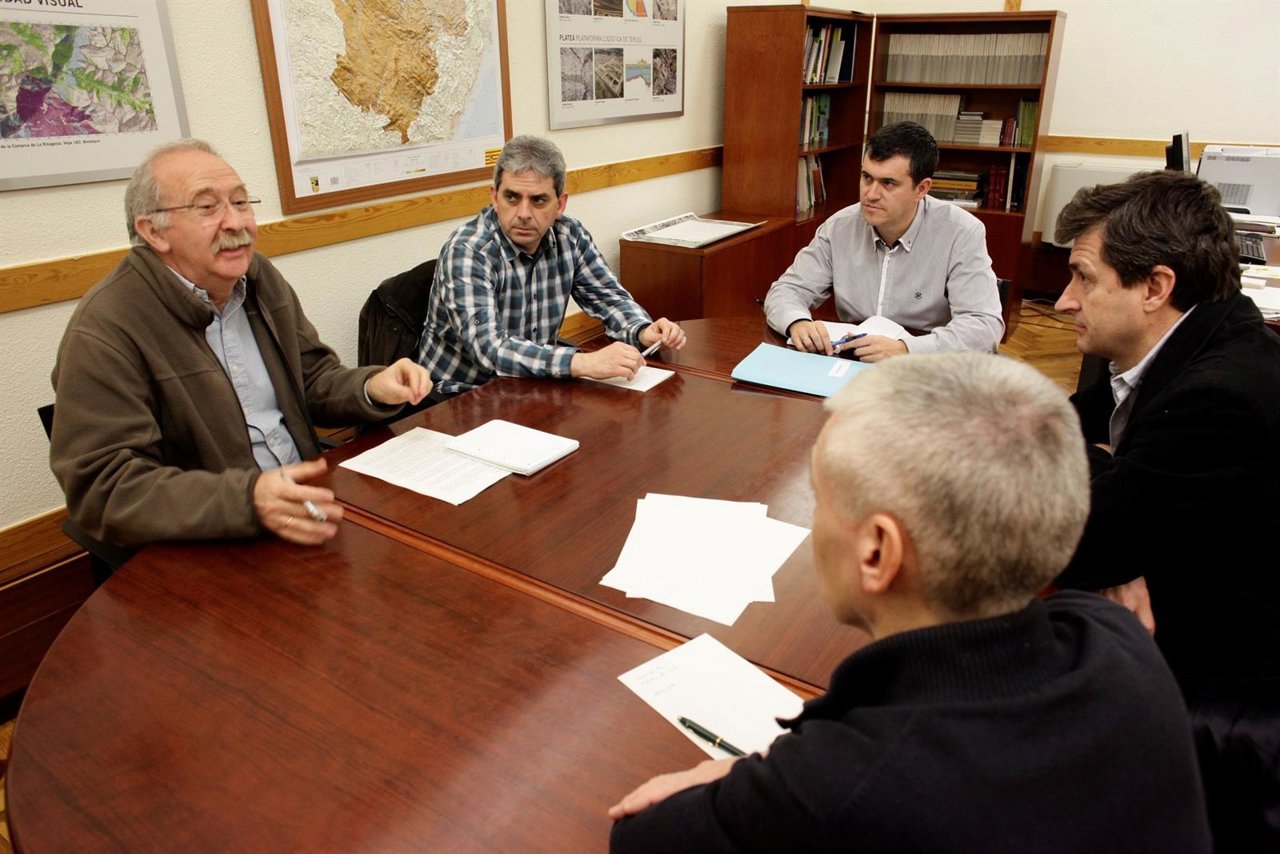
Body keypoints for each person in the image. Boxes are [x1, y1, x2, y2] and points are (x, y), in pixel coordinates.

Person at [608, 353, 1210, 853]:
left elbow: (639, 833)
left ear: (877, 552)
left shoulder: (842, 785)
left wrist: (745, 778)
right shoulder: (1115, 636)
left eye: (819, 498)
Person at [50, 139, 432, 550]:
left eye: (240, 202)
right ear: (153, 231)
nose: (236, 223)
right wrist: (247, 500)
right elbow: (103, 489)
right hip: (210, 542)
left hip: (308, 508)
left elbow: (311, 378)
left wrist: (370, 386)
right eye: (207, 207)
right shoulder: (106, 327)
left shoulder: (257, 277)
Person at [1051, 170, 1280, 850]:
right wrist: (1120, 519)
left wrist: (1115, 531)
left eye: (1084, 278)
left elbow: (1082, 538)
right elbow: (1053, 427)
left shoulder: (1223, 393)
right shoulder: (1177, 339)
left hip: (1233, 693)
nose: (1063, 302)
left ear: (1154, 287)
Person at [415, 135, 686, 397]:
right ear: (494, 197)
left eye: (538, 200)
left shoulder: (570, 235)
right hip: (460, 396)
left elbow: (610, 298)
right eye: (512, 197)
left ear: (560, 204)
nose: (523, 213)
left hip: (531, 386)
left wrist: (641, 329)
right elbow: (489, 349)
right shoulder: (468, 251)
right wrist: (583, 362)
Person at [763, 121, 1004, 361]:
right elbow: (787, 290)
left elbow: (984, 326)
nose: (871, 194)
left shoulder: (961, 232)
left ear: (922, 189)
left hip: (925, 365)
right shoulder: (839, 227)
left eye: (888, 183)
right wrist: (797, 321)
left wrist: (905, 349)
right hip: (851, 360)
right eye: (867, 177)